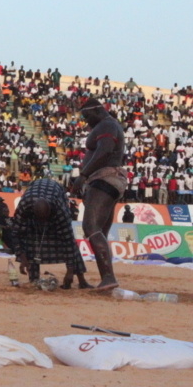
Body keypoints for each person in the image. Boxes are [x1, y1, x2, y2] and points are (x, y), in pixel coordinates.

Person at [71, 98, 127, 290]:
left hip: (104, 178)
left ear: (96, 111)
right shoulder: (109, 125)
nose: (86, 121)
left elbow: (104, 150)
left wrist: (83, 175)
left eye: (87, 116)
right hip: (108, 179)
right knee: (100, 232)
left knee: (91, 227)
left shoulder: (107, 125)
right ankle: (107, 278)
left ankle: (108, 277)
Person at [13, 178, 92, 289]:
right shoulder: (24, 206)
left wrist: (70, 271)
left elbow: (68, 241)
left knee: (71, 244)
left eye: (45, 219)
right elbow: (17, 233)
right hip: (34, 190)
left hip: (57, 191)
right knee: (31, 239)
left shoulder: (60, 210)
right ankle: (34, 279)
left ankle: (82, 280)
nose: (43, 223)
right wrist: (22, 258)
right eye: (40, 220)